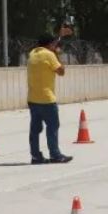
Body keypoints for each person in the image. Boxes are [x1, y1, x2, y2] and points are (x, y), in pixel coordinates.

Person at [27, 33, 73, 164]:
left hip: (32, 98)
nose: (55, 46)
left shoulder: (32, 54)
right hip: (47, 99)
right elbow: (61, 72)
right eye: (53, 44)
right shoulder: (49, 55)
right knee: (52, 127)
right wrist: (56, 54)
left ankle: (35, 156)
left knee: (35, 130)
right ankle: (55, 155)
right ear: (49, 45)